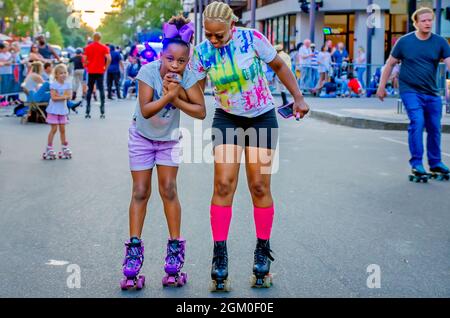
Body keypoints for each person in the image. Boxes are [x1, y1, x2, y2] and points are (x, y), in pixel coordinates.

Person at [191, 1, 309, 291]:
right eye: (208, 35)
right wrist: (190, 98)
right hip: (226, 118)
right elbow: (195, 84)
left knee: (259, 186)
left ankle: (262, 252)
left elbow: (279, 65)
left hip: (262, 117)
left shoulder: (253, 39)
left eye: (219, 35)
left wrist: (298, 97)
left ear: (233, 26)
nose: (214, 40)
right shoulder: (203, 52)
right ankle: (220, 256)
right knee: (223, 184)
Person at [120, 15, 206, 290]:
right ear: (162, 55)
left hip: (168, 139)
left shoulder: (188, 77)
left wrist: (177, 95)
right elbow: (146, 109)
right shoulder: (147, 72)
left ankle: (174, 250)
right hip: (142, 137)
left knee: (168, 189)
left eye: (181, 61)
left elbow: (201, 111)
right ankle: (133, 251)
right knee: (140, 191)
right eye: (170, 59)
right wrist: (170, 96)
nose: (175, 65)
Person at [377, 7, 450, 180]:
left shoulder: (440, 42)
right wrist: (381, 86)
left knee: (434, 127)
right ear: (415, 23)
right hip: (410, 90)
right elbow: (390, 64)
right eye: (423, 20)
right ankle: (417, 163)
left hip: (432, 92)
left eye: (430, 20)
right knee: (417, 121)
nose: (427, 23)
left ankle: (435, 163)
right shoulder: (404, 42)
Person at [42, 64, 73, 160]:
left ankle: (64, 147)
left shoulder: (68, 84)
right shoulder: (53, 85)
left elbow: (70, 96)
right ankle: (49, 148)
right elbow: (54, 98)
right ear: (56, 75)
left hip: (63, 110)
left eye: (65, 73)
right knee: (54, 129)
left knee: (63, 129)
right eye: (61, 73)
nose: (63, 75)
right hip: (54, 110)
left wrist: (63, 96)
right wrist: (64, 96)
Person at [83, 32, 111, 119]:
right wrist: (105, 68)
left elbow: (84, 59)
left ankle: (88, 110)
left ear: (93, 38)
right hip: (100, 71)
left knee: (90, 89)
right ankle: (102, 110)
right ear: (100, 38)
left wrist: (87, 65)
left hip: (91, 71)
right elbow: (109, 58)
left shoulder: (88, 47)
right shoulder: (104, 47)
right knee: (101, 89)